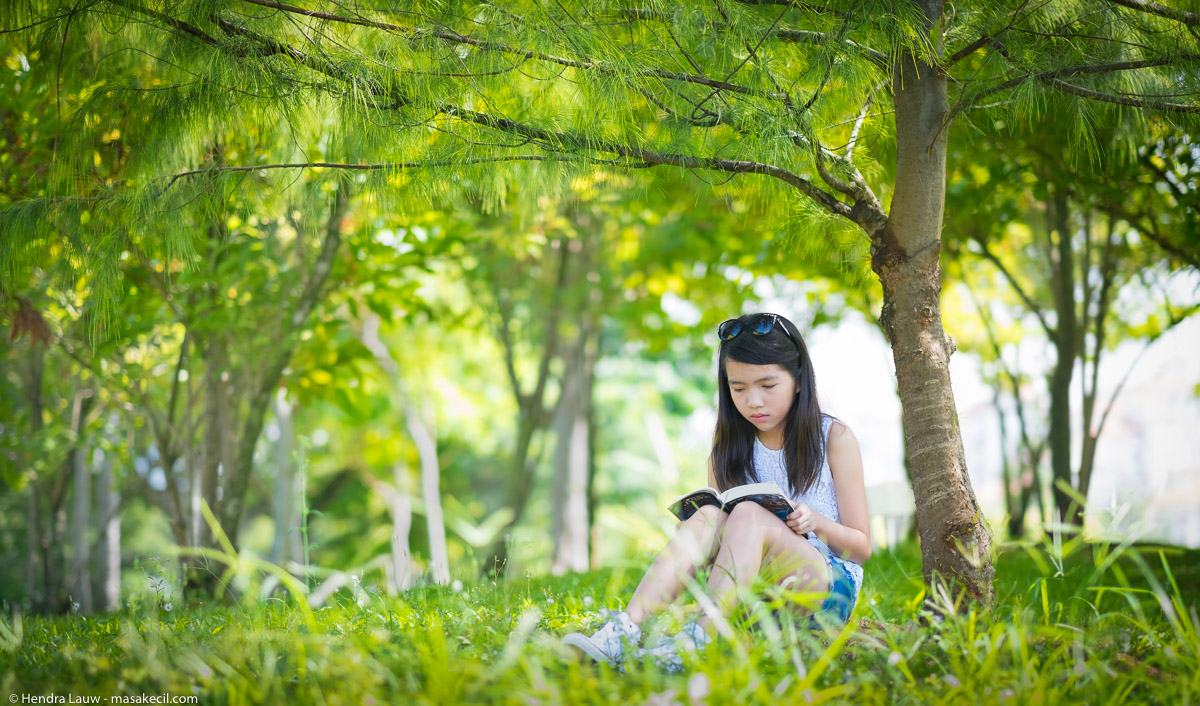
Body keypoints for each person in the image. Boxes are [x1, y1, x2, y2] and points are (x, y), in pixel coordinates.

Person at [561, 312, 871, 671]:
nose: (753, 401)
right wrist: (697, 542)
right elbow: (728, 543)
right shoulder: (728, 447)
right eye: (738, 389)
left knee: (749, 514)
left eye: (767, 386)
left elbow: (861, 549)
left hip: (824, 590)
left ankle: (697, 643)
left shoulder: (833, 437)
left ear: (799, 381)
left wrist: (815, 522)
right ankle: (624, 630)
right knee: (710, 515)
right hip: (755, 597)